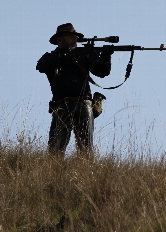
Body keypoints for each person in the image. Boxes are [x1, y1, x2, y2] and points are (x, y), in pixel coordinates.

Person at [36, 23, 113, 157]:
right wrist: (66, 58)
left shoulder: (82, 56)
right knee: (55, 150)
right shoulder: (51, 57)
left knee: (86, 151)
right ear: (60, 39)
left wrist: (106, 57)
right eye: (71, 37)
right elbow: (41, 65)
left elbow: (102, 72)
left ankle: (87, 176)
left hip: (84, 105)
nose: (75, 40)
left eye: (75, 37)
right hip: (62, 106)